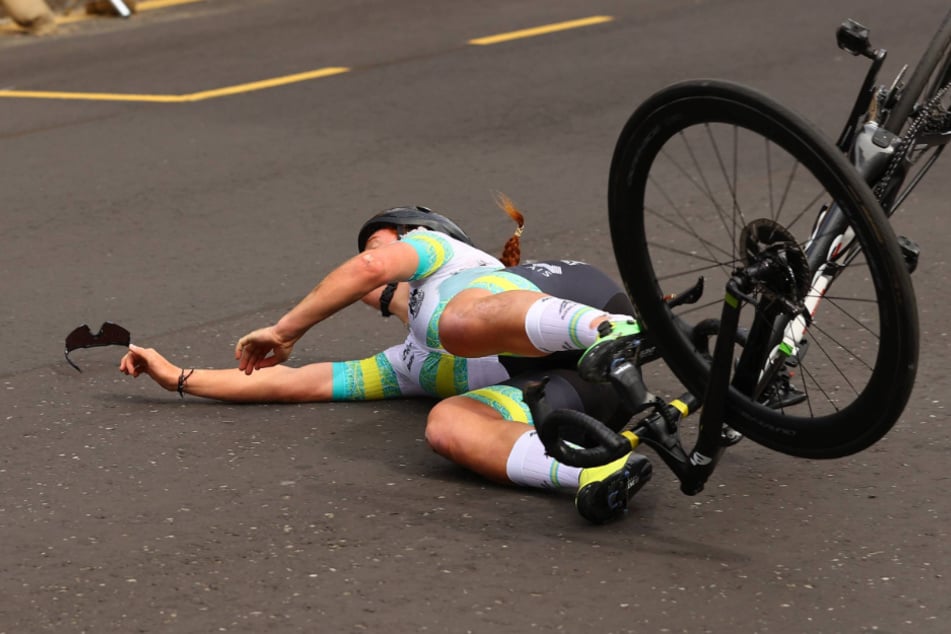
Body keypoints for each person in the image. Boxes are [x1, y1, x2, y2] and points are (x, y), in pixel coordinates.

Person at [120, 196, 650, 524]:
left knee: (453, 322)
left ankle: (612, 333)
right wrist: (179, 378)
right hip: (579, 390)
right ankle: (592, 468)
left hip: (586, 303)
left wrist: (285, 330)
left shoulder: (443, 256)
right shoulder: (409, 363)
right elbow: (296, 383)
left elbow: (374, 265)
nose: (364, 263)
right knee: (447, 424)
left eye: (374, 243)